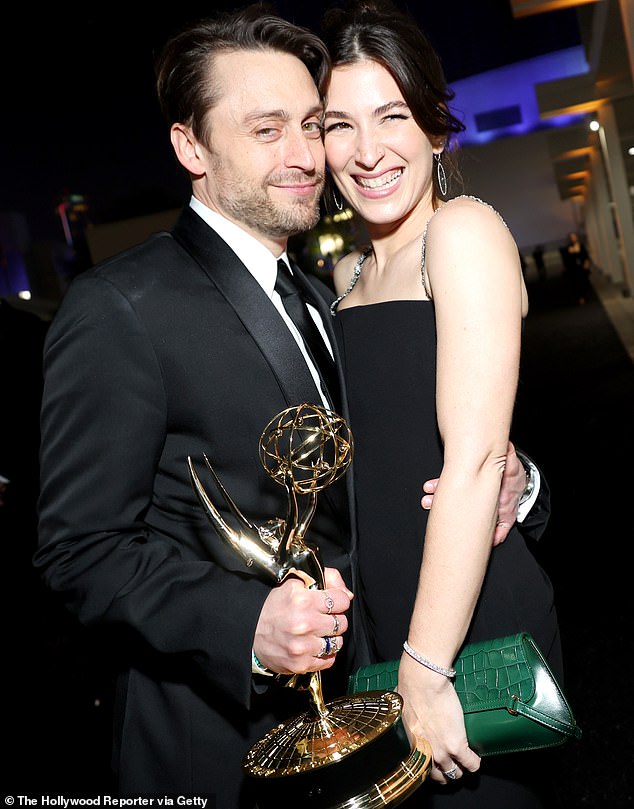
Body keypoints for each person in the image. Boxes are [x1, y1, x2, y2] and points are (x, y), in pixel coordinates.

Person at [34, 5, 549, 806]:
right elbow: (79, 548)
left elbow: (409, 450)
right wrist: (245, 627)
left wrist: (521, 479)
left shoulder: (324, 294)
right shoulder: (121, 306)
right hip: (217, 743)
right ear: (189, 147)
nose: (307, 155)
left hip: (378, 698)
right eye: (268, 129)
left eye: (312, 125)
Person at [322, 1, 563, 806]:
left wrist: (426, 668)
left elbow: (473, 461)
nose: (366, 151)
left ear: (433, 127)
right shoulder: (342, 277)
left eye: (390, 115)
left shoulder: (462, 231)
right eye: (338, 124)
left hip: (464, 633)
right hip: (379, 631)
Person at [564, 230, 591, 304]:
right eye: (572, 237)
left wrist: (586, 264)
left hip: (582, 267)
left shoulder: (581, 246)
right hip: (574, 268)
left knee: (584, 281)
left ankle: (586, 294)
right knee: (577, 283)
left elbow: (585, 256)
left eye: (574, 237)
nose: (573, 238)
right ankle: (580, 297)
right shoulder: (568, 247)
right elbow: (567, 258)